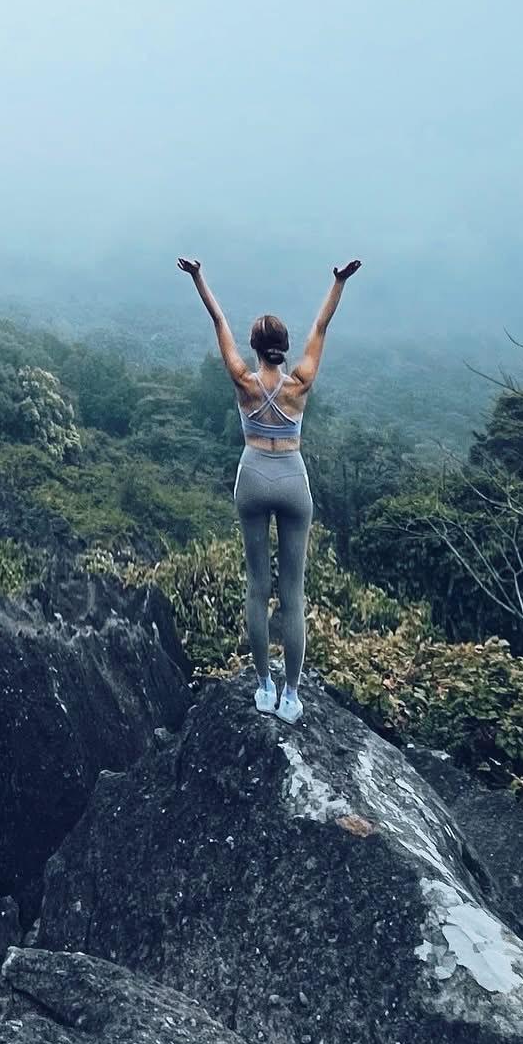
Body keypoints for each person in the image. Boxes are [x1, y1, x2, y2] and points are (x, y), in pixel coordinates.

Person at [178, 254, 362, 722]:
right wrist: (337, 282)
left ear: (256, 348)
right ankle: (292, 696)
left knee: (258, 588)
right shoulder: (299, 383)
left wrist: (199, 276)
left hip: (253, 477)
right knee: (293, 594)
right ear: (282, 347)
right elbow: (321, 327)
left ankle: (263, 685)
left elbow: (217, 318)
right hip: (292, 480)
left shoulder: (243, 381)